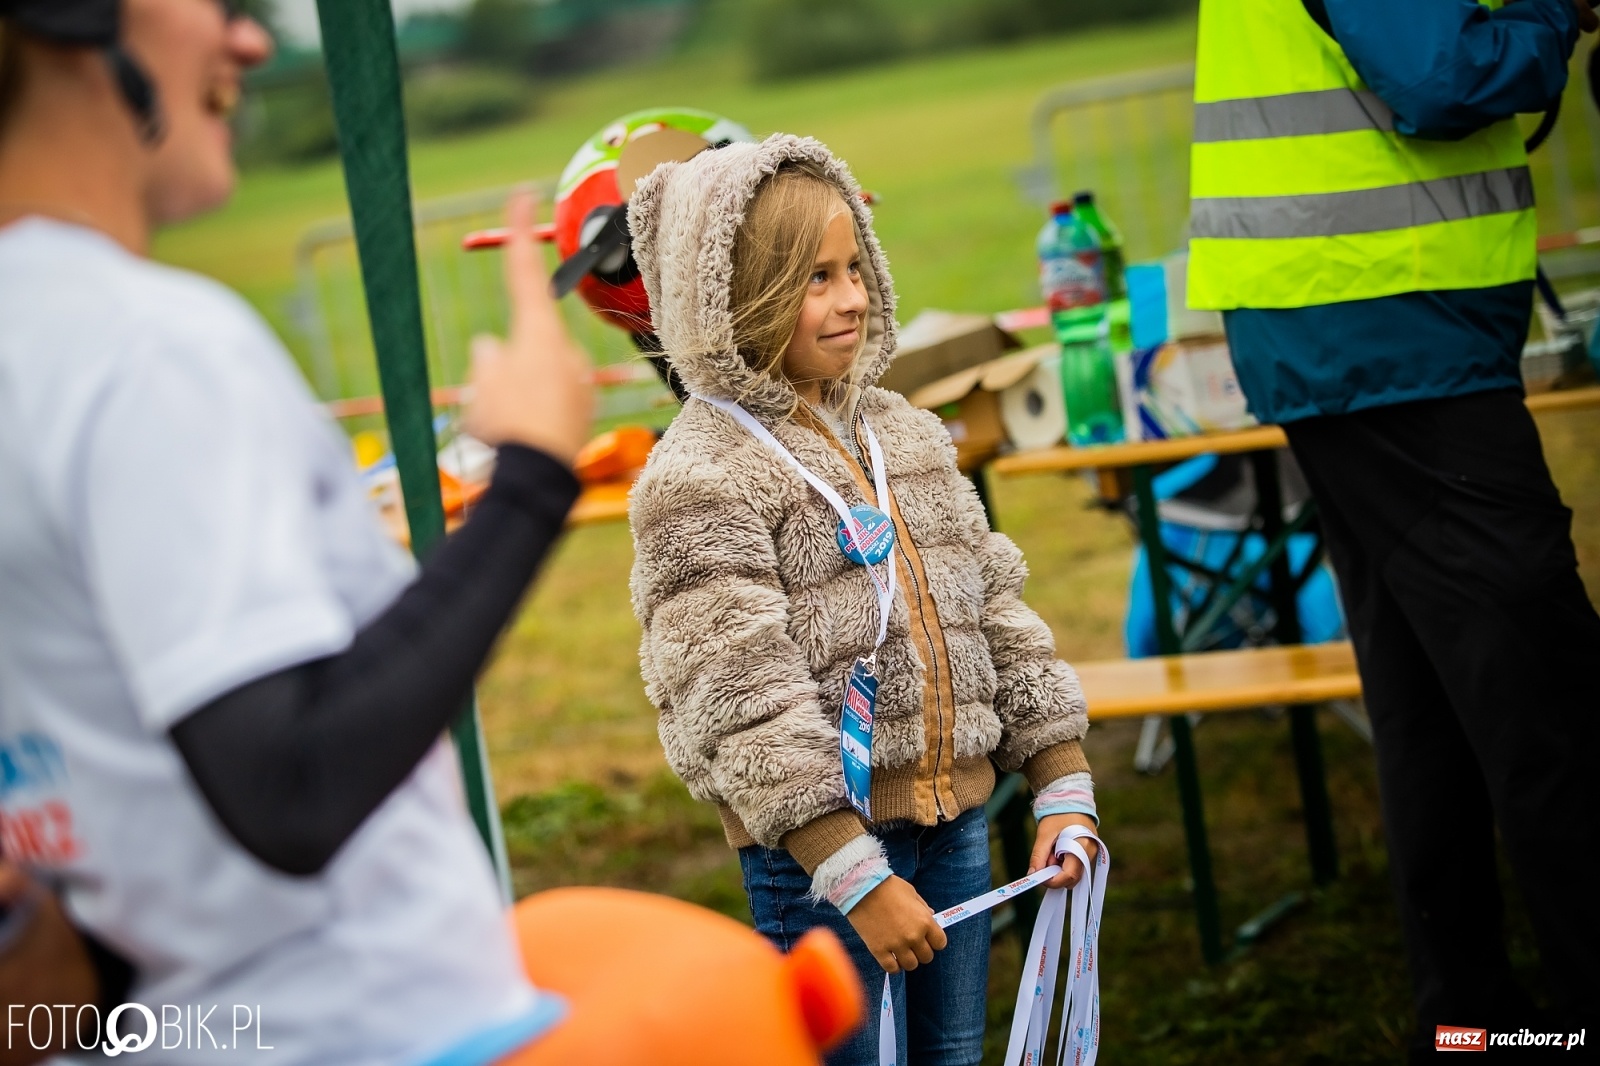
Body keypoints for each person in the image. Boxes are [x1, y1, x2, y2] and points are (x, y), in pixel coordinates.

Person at [0, 0, 594, 1062]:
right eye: (210, 4)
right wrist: (533, 480)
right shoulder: (148, 350)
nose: (250, 42)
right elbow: (292, 784)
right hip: (366, 1029)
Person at [624, 134, 1102, 1066]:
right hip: (821, 866)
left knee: (952, 1056)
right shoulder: (697, 476)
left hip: (956, 823)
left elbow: (991, 605)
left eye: (853, 269)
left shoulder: (903, 431)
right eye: (812, 279)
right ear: (736, 293)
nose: (851, 299)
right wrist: (851, 872)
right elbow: (737, 700)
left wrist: (1061, 778)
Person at [1188, 0, 1600, 1057]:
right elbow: (1436, 77)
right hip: (1389, 324)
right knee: (1550, 704)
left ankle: (1471, 1022)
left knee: (1432, 704)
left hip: (1356, 326)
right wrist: (1555, 18)